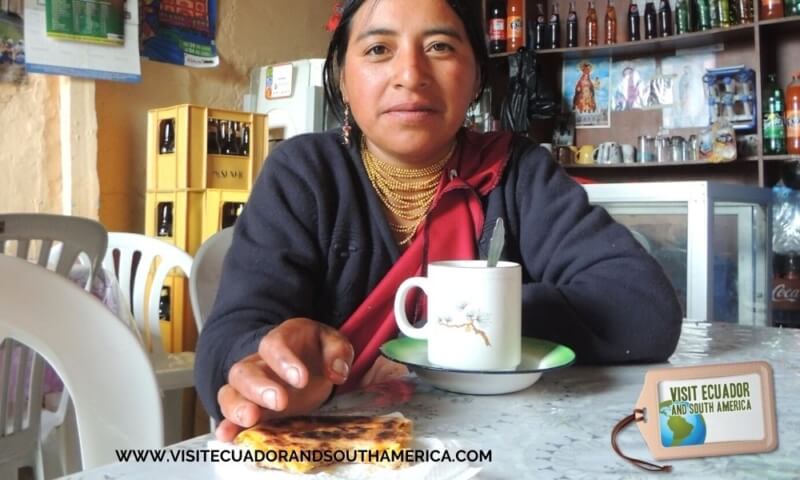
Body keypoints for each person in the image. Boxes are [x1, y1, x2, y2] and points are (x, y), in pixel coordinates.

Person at [195, 0, 683, 442]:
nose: (410, 73)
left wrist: (454, 331)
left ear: (475, 78)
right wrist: (267, 366)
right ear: (342, 75)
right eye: (380, 48)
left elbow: (642, 308)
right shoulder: (304, 174)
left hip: (498, 447)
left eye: (440, 46)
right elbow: (229, 339)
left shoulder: (516, 173)